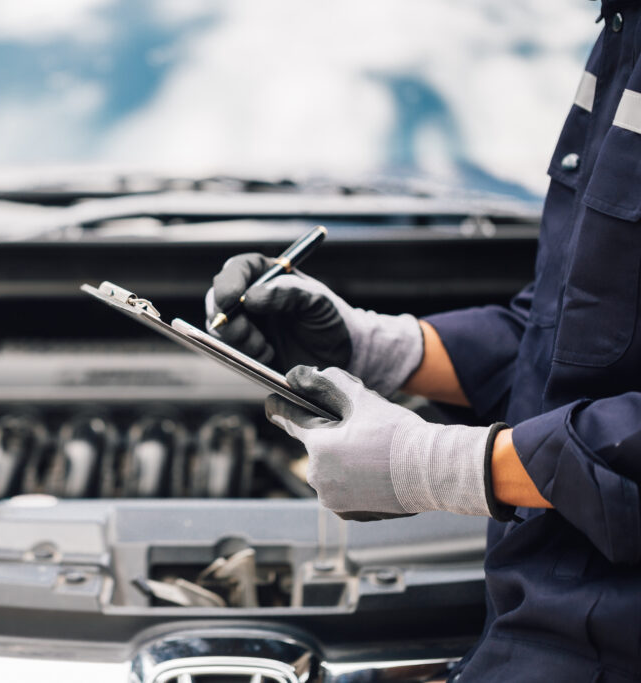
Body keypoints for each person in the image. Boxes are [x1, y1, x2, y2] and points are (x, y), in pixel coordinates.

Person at [206, 4, 641, 680]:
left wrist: (440, 464)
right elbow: (573, 336)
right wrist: (375, 346)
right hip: (535, 625)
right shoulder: (624, 35)